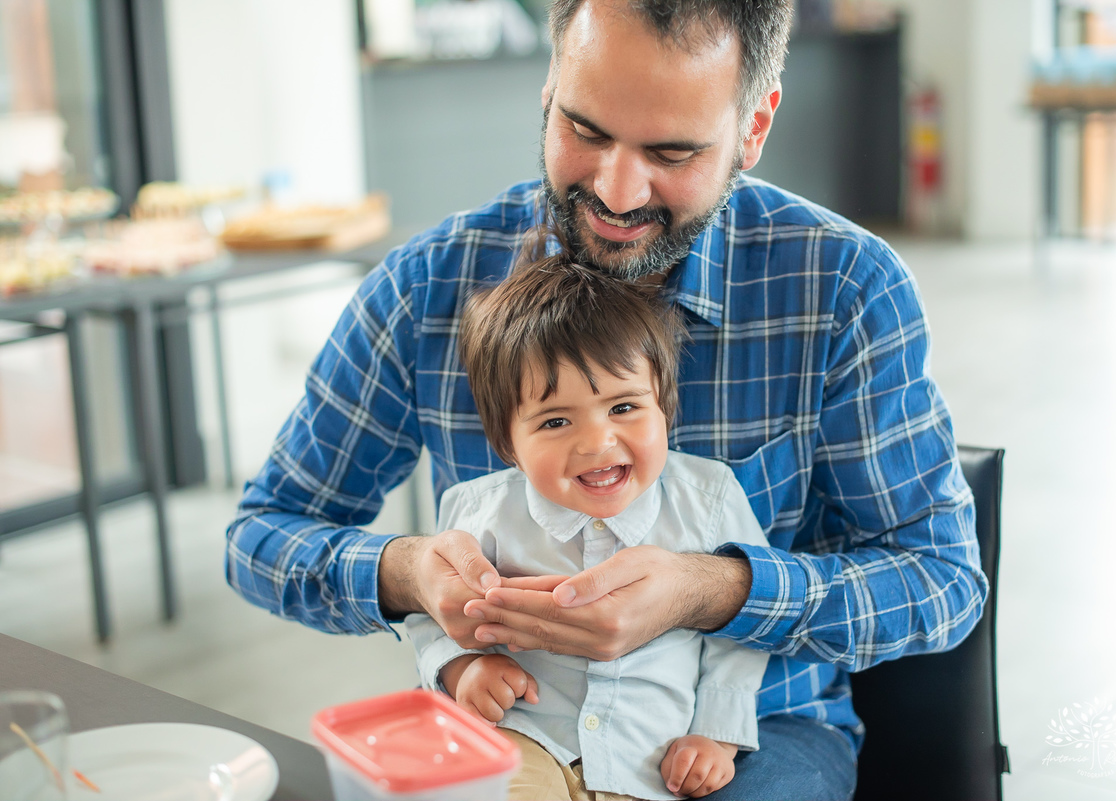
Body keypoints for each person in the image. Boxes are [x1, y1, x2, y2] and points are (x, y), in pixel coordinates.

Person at [226, 1, 988, 798]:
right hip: (510, 730)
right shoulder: (426, 289)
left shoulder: (842, 288)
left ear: (754, 127)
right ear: (549, 88)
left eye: (671, 151)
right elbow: (260, 535)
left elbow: (941, 582)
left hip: (754, 736)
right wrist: (404, 570)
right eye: (585, 130)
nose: (617, 192)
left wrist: (712, 591)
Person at [406, 254, 770, 800]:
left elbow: (740, 634)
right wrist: (462, 668)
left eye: (623, 407)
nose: (598, 443)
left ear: (664, 407)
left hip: (650, 757)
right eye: (555, 421)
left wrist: (717, 736)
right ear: (508, 442)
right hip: (522, 734)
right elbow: (434, 611)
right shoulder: (478, 511)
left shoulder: (710, 499)